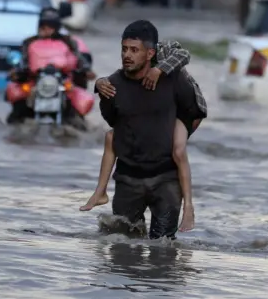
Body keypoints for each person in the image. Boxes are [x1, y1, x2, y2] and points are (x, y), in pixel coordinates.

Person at [82, 22, 207, 234]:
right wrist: (98, 84)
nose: (127, 55)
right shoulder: (112, 85)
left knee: (164, 247)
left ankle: (189, 208)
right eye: (124, 49)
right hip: (128, 180)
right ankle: (100, 192)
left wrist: (175, 137)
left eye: (134, 50)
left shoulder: (173, 78)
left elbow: (195, 112)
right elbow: (113, 122)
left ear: (150, 53)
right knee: (121, 245)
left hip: (166, 179)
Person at [6, 8, 96, 124]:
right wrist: (17, 71)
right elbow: (23, 60)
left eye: (50, 27)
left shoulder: (67, 41)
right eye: (43, 27)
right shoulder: (29, 42)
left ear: (56, 28)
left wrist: (87, 70)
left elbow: (79, 58)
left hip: (62, 80)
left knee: (76, 112)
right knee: (17, 107)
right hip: (35, 80)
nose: (46, 30)